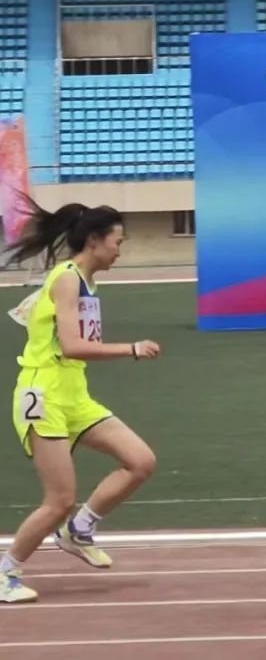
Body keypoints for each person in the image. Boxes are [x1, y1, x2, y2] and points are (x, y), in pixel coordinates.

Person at [1, 200, 160, 604]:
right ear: (94, 241)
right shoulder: (67, 279)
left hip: (74, 395)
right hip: (43, 395)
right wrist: (131, 349)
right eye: (117, 242)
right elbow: (72, 346)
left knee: (140, 461)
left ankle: (79, 529)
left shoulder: (84, 281)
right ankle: (6, 572)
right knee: (59, 500)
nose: (120, 251)